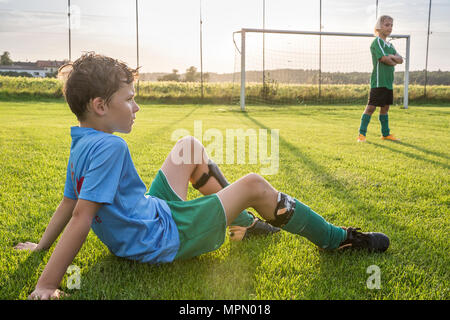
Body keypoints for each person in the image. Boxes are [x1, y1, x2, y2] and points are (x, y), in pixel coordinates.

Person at [14, 53, 389, 300]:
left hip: (150, 216)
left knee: (189, 147)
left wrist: (41, 246)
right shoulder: (112, 147)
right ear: (99, 106)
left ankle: (243, 223)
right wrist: (47, 284)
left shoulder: (81, 141)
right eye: (129, 98)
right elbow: (80, 214)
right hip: (161, 236)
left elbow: (68, 201)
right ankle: (337, 239)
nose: (137, 106)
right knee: (255, 184)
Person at [357, 15, 403, 142]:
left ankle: (385, 134)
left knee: (385, 108)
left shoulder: (390, 45)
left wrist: (392, 57)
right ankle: (361, 135)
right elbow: (384, 59)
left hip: (388, 82)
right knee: (371, 107)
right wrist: (392, 59)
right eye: (387, 25)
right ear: (379, 26)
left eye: (391, 25)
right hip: (378, 81)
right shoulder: (376, 42)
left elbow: (400, 60)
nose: (390, 28)